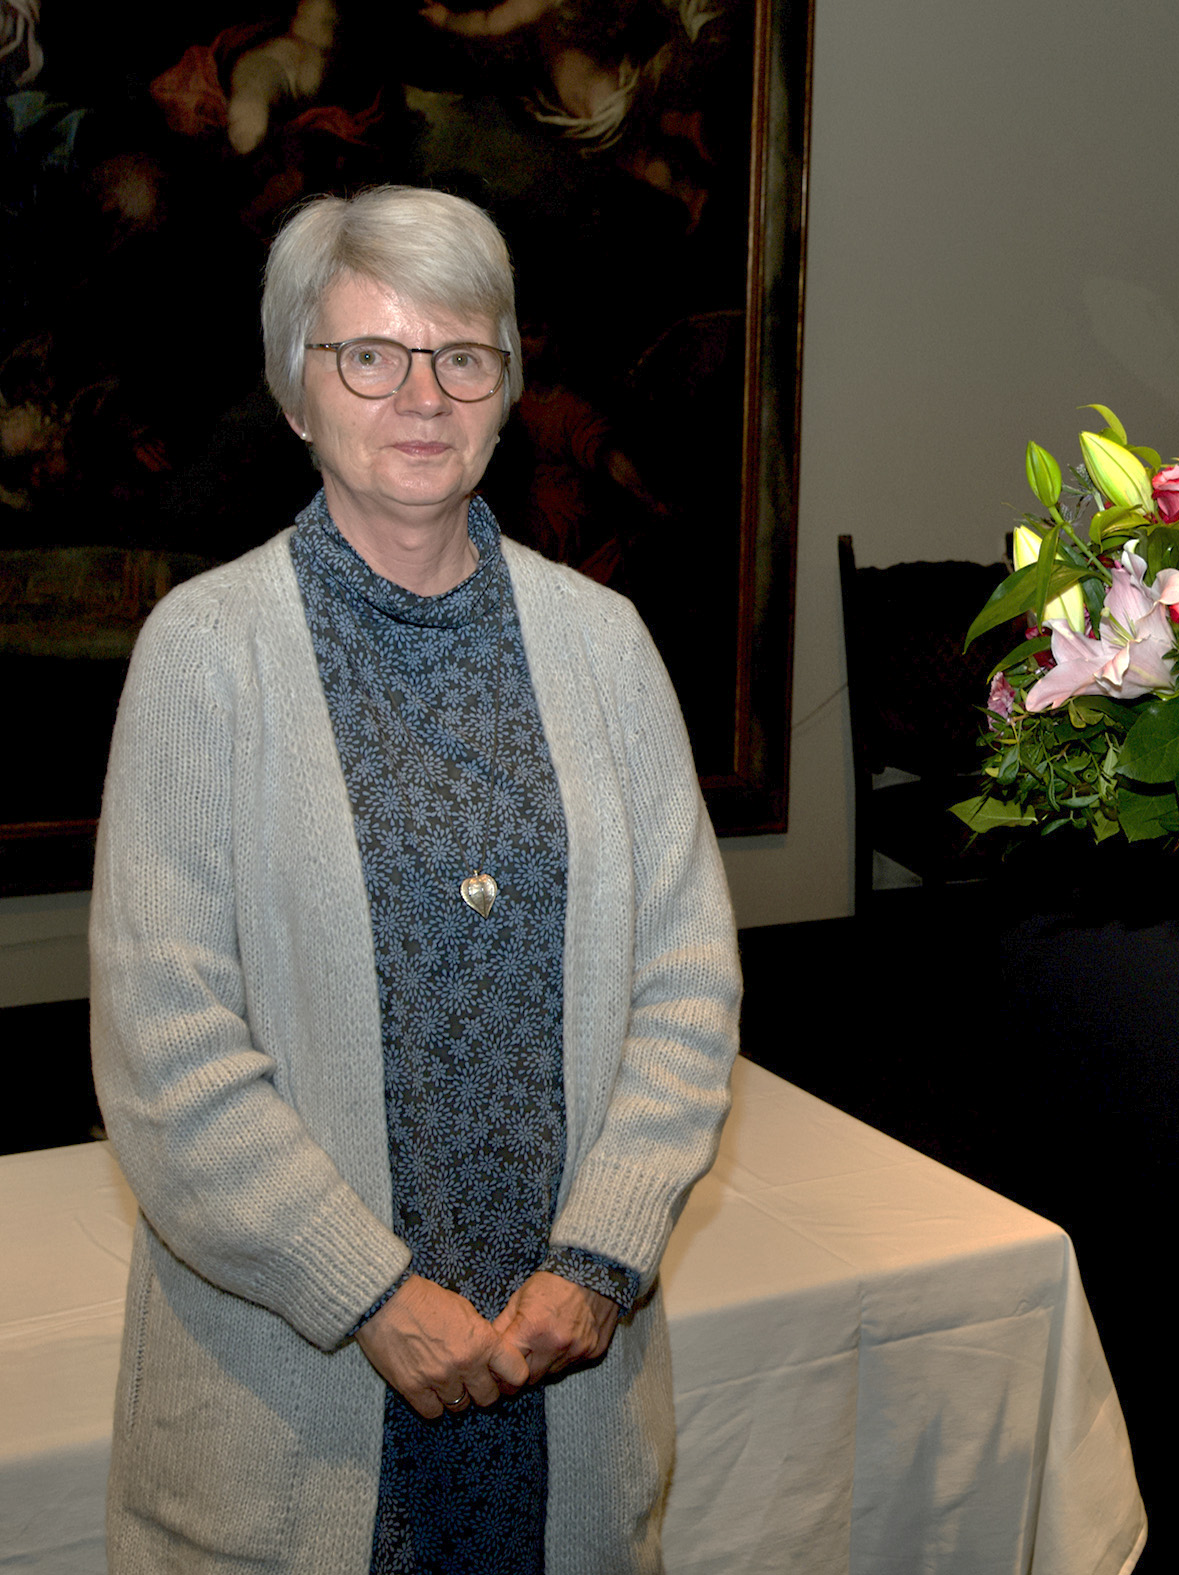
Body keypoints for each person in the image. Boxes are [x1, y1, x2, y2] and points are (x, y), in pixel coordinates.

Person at [88, 185, 741, 1574]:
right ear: (296, 393)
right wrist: (370, 1293)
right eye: (368, 355)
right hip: (294, 1406)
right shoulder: (202, 658)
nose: (421, 395)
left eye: (464, 356)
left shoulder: (609, 646)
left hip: (568, 1374)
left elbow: (687, 982)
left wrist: (602, 1256)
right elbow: (167, 1051)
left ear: (506, 393)